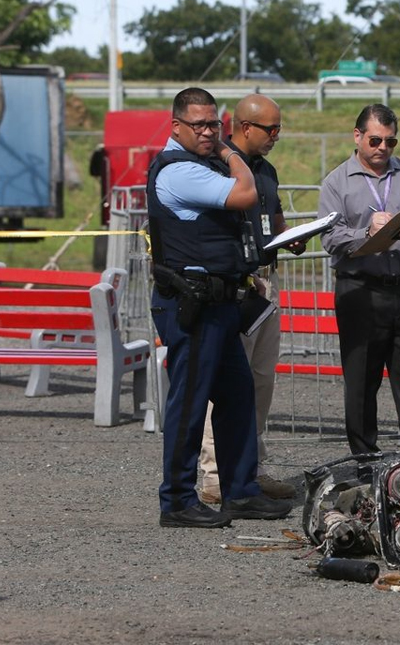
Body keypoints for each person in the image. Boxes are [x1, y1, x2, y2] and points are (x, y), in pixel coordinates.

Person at [147, 87, 291, 528]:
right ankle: (176, 500)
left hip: (220, 304)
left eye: (215, 124)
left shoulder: (197, 165)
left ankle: (241, 492)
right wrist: (231, 153)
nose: (210, 132)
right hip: (192, 304)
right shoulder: (180, 171)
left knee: (236, 398)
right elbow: (246, 193)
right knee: (189, 404)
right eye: (200, 125)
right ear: (177, 127)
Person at [319, 104, 400, 477]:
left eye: (390, 141)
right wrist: (368, 233)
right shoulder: (336, 181)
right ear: (357, 137)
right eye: (375, 140)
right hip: (359, 290)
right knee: (361, 381)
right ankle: (365, 462)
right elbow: (330, 237)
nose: (383, 148)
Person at [197, 94, 299, 504]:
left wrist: (288, 236)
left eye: (279, 129)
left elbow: (271, 220)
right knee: (223, 384)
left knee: (259, 382)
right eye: (270, 129)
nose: (276, 136)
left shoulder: (267, 171)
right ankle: (213, 475)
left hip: (265, 283)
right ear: (244, 127)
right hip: (234, 287)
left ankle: (248, 468)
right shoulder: (216, 168)